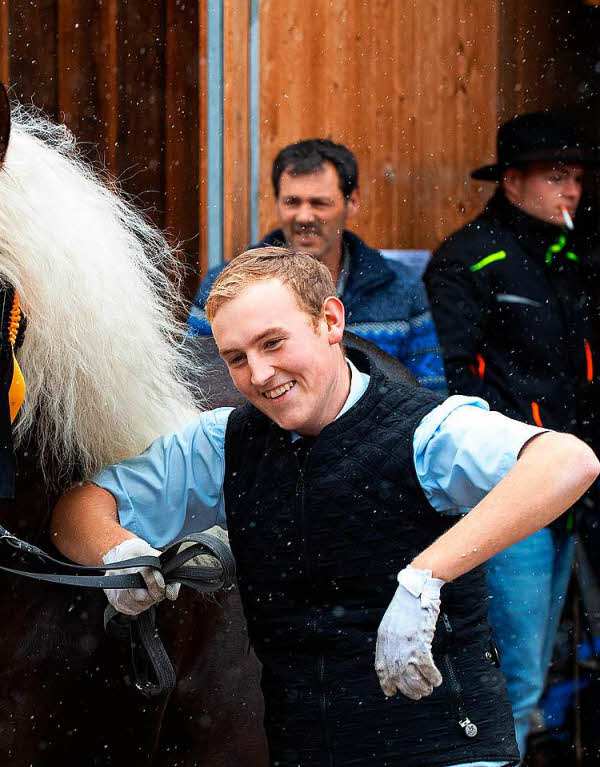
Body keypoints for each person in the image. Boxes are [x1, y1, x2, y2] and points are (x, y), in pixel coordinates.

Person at [51, 247, 599, 766]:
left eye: (273, 343)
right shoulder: (222, 443)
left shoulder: (428, 429)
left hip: (446, 748)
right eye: (236, 358)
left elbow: (567, 462)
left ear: (330, 322)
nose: (259, 374)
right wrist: (116, 551)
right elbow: (78, 508)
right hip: (305, 749)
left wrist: (427, 576)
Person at [423, 109, 599, 757]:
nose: (572, 191)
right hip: (509, 496)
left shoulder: (569, 256)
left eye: (577, 178)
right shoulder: (469, 259)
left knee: (538, 673)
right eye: (557, 177)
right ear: (513, 180)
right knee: (510, 680)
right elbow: (452, 386)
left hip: (569, 493)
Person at [189, 139, 447, 393]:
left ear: (352, 202)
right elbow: (197, 387)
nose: (304, 216)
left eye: (319, 203)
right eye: (292, 202)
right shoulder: (222, 288)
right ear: (276, 204)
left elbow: (429, 396)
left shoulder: (401, 289)